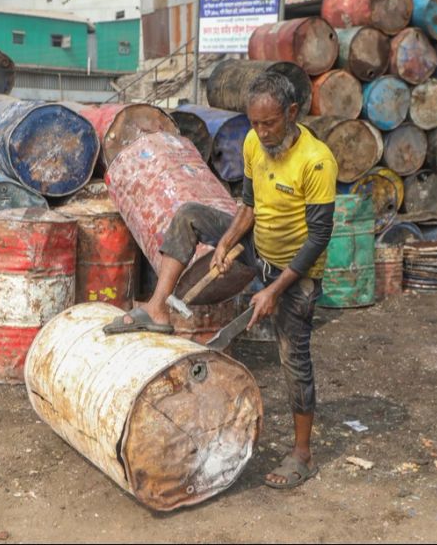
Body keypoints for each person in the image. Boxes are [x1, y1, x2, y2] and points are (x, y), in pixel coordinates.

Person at [105, 71, 338, 489]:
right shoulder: (253, 143)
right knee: (189, 215)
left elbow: (320, 238)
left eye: (270, 123)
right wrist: (228, 244)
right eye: (255, 123)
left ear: (292, 112)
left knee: (294, 360)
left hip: (296, 273)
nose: (263, 133)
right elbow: (248, 205)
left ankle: (302, 454)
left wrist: (273, 290)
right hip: (258, 246)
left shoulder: (317, 161)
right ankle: (157, 308)